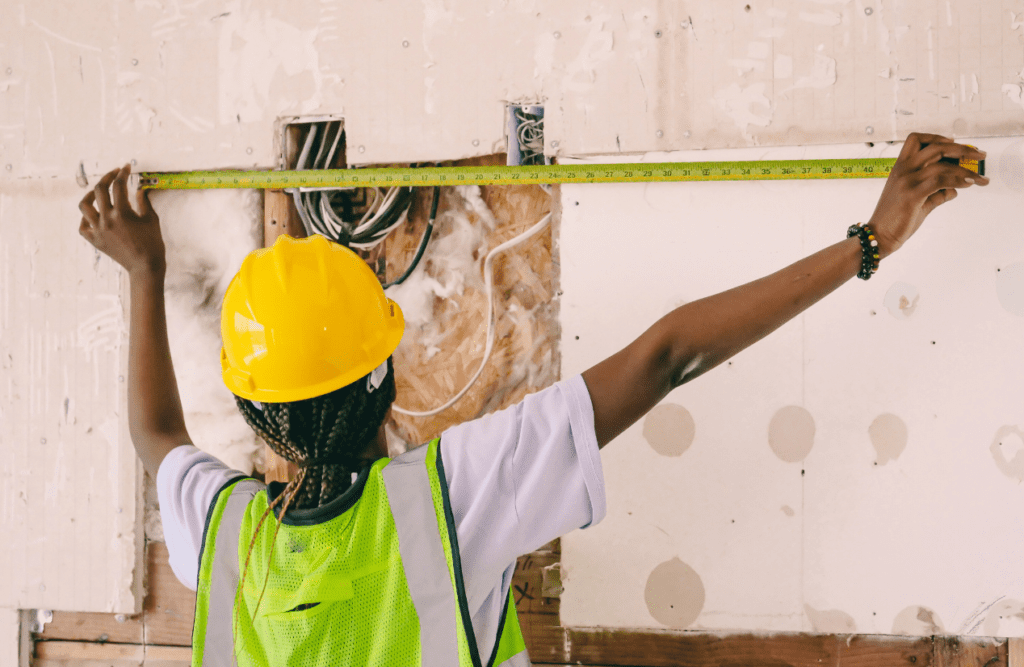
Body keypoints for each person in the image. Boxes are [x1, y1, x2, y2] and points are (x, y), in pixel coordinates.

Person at [78, 133, 988, 667]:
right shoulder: (451, 497)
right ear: (382, 375)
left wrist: (145, 265)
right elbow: (669, 355)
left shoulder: (225, 533)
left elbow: (153, 432)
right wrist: (871, 241)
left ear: (250, 405)